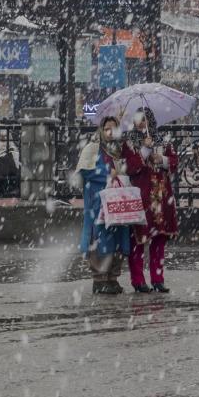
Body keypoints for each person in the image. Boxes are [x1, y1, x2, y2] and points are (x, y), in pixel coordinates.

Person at [125, 108, 178, 293]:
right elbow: (130, 167)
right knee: (138, 239)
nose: (142, 123)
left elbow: (174, 162)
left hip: (161, 196)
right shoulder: (130, 142)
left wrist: (161, 159)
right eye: (138, 119)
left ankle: (158, 278)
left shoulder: (162, 139)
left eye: (145, 120)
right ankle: (138, 280)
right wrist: (145, 150)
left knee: (159, 238)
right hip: (141, 195)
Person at [77, 116, 132, 295]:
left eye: (113, 128)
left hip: (116, 203)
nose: (110, 132)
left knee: (117, 238)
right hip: (98, 202)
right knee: (100, 239)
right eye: (106, 128)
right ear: (101, 129)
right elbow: (86, 172)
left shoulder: (119, 150)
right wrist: (108, 173)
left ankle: (112, 277)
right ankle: (100, 279)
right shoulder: (92, 149)